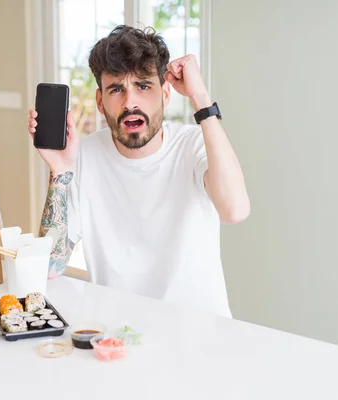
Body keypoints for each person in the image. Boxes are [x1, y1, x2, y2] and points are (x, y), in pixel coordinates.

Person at [27, 25, 249, 318]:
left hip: (200, 336)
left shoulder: (194, 144)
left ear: (166, 94)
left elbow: (234, 211)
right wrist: (60, 172)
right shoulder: (83, 156)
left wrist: (200, 97)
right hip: (121, 338)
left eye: (143, 86)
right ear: (100, 102)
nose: (130, 102)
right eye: (116, 89)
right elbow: (51, 267)